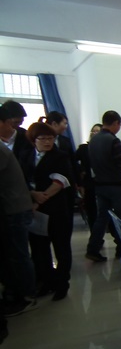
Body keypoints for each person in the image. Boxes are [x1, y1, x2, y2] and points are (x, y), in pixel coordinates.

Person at [18, 120, 74, 301]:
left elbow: (61, 180)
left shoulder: (60, 156)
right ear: (33, 140)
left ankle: (62, 284)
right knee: (39, 249)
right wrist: (33, 194)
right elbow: (20, 179)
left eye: (51, 138)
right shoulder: (25, 155)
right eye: (43, 138)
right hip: (34, 208)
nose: (48, 142)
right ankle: (46, 281)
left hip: (56, 208)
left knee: (61, 247)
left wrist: (42, 197)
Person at [0, 105, 38, 316]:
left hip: (15, 208)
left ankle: (27, 295)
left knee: (18, 255)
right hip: (14, 206)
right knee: (15, 254)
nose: (14, 129)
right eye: (13, 124)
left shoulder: (13, 143)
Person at [85, 110, 121, 262]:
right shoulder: (113, 140)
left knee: (101, 218)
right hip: (117, 186)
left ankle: (92, 249)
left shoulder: (93, 140)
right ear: (116, 123)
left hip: (100, 185)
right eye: (119, 125)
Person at [75, 124, 102, 231]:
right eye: (93, 131)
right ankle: (94, 234)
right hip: (89, 183)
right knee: (91, 210)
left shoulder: (105, 147)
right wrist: (81, 170)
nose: (94, 133)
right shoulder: (83, 148)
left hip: (102, 182)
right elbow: (73, 161)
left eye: (97, 131)